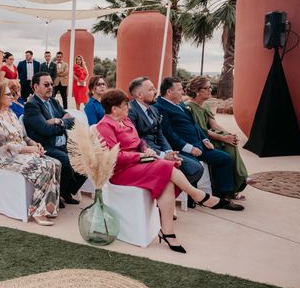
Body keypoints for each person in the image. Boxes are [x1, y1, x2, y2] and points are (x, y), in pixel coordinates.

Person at [96, 89, 232, 253]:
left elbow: (139, 141)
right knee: (165, 166)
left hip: (138, 164)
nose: (129, 108)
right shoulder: (104, 126)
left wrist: (146, 149)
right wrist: (140, 156)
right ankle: (198, 195)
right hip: (121, 172)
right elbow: (114, 156)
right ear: (114, 109)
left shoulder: (125, 121)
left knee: (167, 179)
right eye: (125, 105)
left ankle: (167, 232)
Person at [156, 77, 244, 210]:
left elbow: (195, 125)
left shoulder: (179, 104)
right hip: (182, 148)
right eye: (180, 89)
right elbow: (169, 134)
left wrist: (205, 139)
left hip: (199, 145)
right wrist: (190, 148)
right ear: (169, 91)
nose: (183, 92)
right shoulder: (160, 107)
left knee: (225, 158)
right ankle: (193, 198)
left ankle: (222, 196)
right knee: (195, 167)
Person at [0, 82, 61, 225]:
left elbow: (24, 137)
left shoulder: (11, 114)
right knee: (45, 167)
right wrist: (29, 150)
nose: (12, 96)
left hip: (23, 153)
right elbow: (4, 146)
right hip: (7, 159)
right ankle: (37, 211)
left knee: (56, 163)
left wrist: (34, 144)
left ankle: (49, 208)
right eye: (8, 94)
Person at [128, 76, 204, 207]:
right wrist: (163, 156)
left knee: (196, 169)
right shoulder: (131, 111)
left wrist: (169, 152)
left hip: (162, 150)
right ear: (140, 94)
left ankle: (163, 198)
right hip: (146, 154)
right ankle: (164, 202)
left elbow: (160, 133)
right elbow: (136, 140)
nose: (156, 91)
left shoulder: (153, 109)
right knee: (183, 170)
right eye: (151, 89)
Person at [23, 72, 86, 207]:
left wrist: (58, 121)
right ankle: (59, 196)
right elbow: (45, 130)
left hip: (63, 144)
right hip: (45, 146)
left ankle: (65, 191)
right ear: (35, 87)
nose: (50, 87)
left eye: (51, 84)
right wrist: (63, 122)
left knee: (87, 159)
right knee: (67, 162)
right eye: (46, 85)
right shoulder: (32, 106)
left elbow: (72, 121)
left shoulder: (54, 101)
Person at [186, 76, 249, 198]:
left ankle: (238, 181)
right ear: (197, 91)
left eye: (211, 87)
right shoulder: (188, 107)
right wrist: (223, 138)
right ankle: (237, 182)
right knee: (228, 147)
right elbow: (201, 131)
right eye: (207, 87)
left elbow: (214, 125)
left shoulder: (205, 106)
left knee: (231, 143)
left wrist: (229, 134)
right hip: (200, 140)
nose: (211, 89)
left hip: (210, 137)